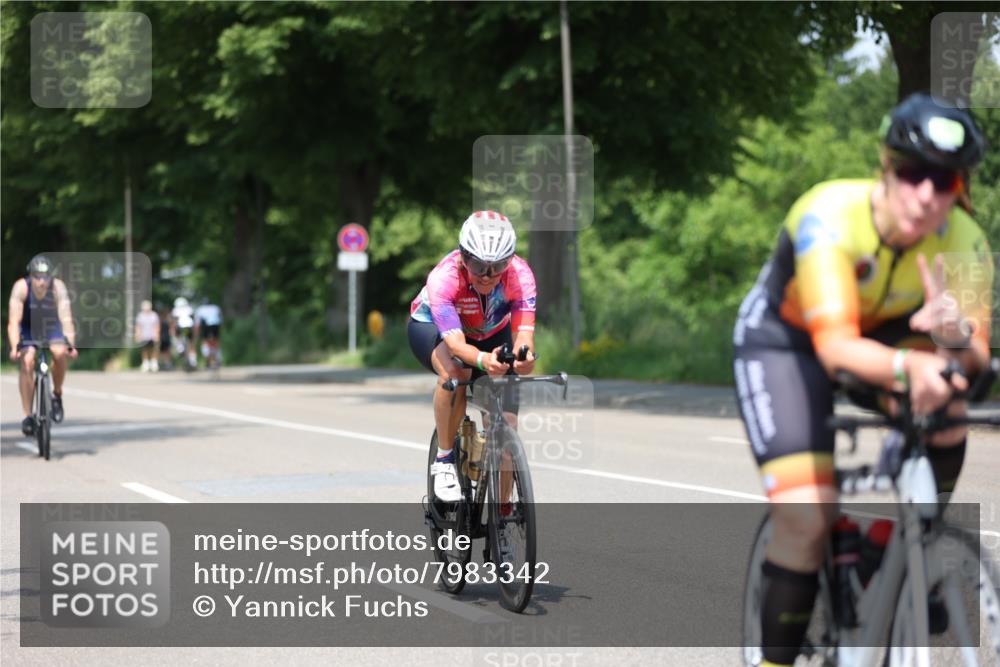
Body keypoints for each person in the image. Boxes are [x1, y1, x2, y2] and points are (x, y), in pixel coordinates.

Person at [733, 93, 992, 667]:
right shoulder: (829, 215)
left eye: (945, 182)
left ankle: (904, 545)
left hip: (886, 337)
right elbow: (836, 350)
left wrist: (954, 337)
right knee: (804, 519)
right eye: (913, 173)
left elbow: (973, 362)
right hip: (788, 343)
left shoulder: (966, 243)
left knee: (950, 409)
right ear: (886, 166)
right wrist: (912, 366)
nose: (927, 195)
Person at [408, 211, 537, 502]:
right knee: (456, 373)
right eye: (479, 265)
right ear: (464, 257)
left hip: (491, 330)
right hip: (434, 327)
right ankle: (443, 460)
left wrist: (524, 357)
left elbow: (524, 335)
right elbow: (455, 345)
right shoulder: (444, 278)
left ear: (510, 260)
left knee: (505, 426)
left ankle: (503, 516)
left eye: (498, 266)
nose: (488, 276)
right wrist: (483, 361)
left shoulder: (520, 275)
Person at [6, 255, 79, 435]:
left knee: (60, 352)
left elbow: (66, 318)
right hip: (28, 326)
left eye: (45, 276)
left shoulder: (58, 287)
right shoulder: (21, 287)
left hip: (51, 325)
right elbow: (14, 321)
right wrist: (15, 347)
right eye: (37, 276)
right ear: (30, 276)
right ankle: (28, 415)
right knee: (28, 360)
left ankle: (57, 394)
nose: (41, 281)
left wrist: (71, 344)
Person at [193, 299, 223, 369]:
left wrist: (196, 333)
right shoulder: (216, 307)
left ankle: (208, 361)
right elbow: (220, 319)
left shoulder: (201, 309)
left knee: (206, 342)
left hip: (206, 326)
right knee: (215, 342)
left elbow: (197, 323)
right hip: (216, 325)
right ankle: (217, 359)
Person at [134, 300, 160, 372]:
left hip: (152, 335)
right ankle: (146, 363)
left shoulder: (154, 315)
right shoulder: (140, 315)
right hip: (144, 335)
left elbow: (157, 325)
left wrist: (157, 335)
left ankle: (154, 363)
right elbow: (138, 326)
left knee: (153, 349)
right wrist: (137, 335)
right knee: (144, 349)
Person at [170, 296, 196, 370]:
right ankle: (193, 361)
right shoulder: (189, 309)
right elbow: (193, 320)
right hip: (189, 327)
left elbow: (174, 322)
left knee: (178, 338)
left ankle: (180, 348)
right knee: (191, 343)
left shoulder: (175, 310)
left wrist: (172, 330)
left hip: (180, 327)